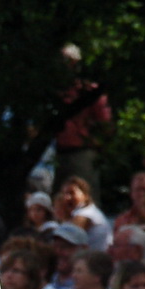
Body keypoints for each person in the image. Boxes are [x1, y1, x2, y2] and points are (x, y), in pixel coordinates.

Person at [44, 44, 113, 195]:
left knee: (84, 194)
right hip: (51, 152)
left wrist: (95, 142)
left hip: (81, 152)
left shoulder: (90, 92)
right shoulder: (50, 92)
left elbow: (105, 124)